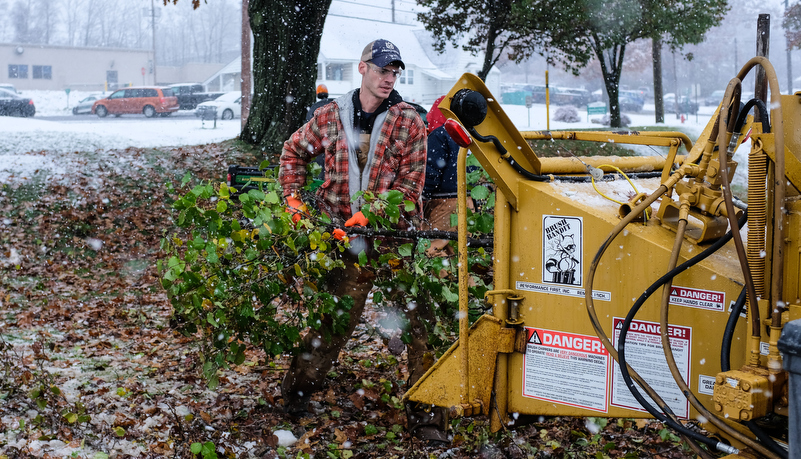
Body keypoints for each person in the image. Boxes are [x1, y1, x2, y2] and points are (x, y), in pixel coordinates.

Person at [278, 39, 445, 441]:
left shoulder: (410, 122)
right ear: (363, 69)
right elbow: (292, 152)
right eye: (382, 70)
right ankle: (296, 395)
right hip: (344, 241)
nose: (389, 78)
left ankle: (427, 416)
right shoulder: (330, 115)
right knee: (332, 322)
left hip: (395, 242)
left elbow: (409, 187)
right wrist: (294, 200)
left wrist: (371, 214)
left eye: (394, 72)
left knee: (422, 325)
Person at [422, 95, 473, 257]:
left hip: (444, 205)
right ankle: (467, 283)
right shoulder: (468, 134)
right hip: (468, 201)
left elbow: (431, 173)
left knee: (433, 253)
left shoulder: (439, 135)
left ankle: (442, 281)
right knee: (461, 256)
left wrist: (421, 197)